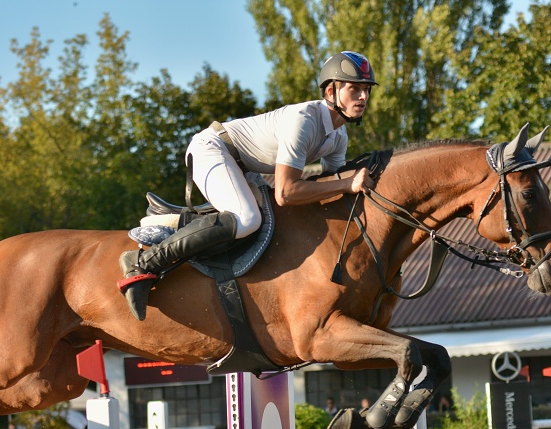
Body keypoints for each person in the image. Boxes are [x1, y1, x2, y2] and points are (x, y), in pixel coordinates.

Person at [118, 51, 378, 320]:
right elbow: (287, 193)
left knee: (271, 222)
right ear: (331, 91)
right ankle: (142, 264)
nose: (363, 97)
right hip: (213, 148)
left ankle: (175, 222)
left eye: (366, 90)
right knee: (248, 219)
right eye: (354, 89)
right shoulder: (305, 120)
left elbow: (328, 184)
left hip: (243, 167)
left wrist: (351, 182)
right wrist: (347, 183)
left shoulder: (339, 136)